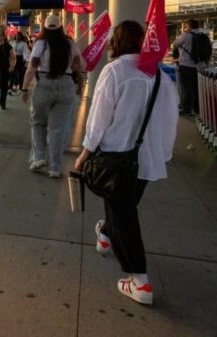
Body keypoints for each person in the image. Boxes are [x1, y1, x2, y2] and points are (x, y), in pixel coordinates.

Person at [74, 20, 178, 305]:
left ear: (116, 43)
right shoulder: (159, 76)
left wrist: (85, 151)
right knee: (122, 204)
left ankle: (140, 280)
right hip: (146, 161)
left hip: (116, 155)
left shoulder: (115, 71)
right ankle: (106, 233)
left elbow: (99, 118)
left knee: (125, 216)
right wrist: (162, 153)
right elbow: (171, 120)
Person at [21, 15, 83, 178]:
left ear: (45, 27)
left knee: (38, 122)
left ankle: (39, 157)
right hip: (66, 85)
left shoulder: (41, 43)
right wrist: (81, 85)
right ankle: (55, 167)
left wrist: (24, 88)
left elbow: (32, 67)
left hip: (45, 84)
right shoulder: (70, 43)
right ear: (61, 27)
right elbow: (78, 66)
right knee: (57, 129)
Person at [172, 19, 209, 115]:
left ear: (189, 26)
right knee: (197, 88)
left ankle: (186, 109)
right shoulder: (204, 36)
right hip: (201, 67)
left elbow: (175, 44)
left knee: (187, 88)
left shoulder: (185, 36)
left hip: (186, 66)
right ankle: (198, 109)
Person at [0, 30, 16, 110]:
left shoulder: (8, 46)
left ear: (3, 36)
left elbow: (13, 57)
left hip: (5, 69)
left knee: (4, 87)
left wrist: (12, 66)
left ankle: (2, 102)